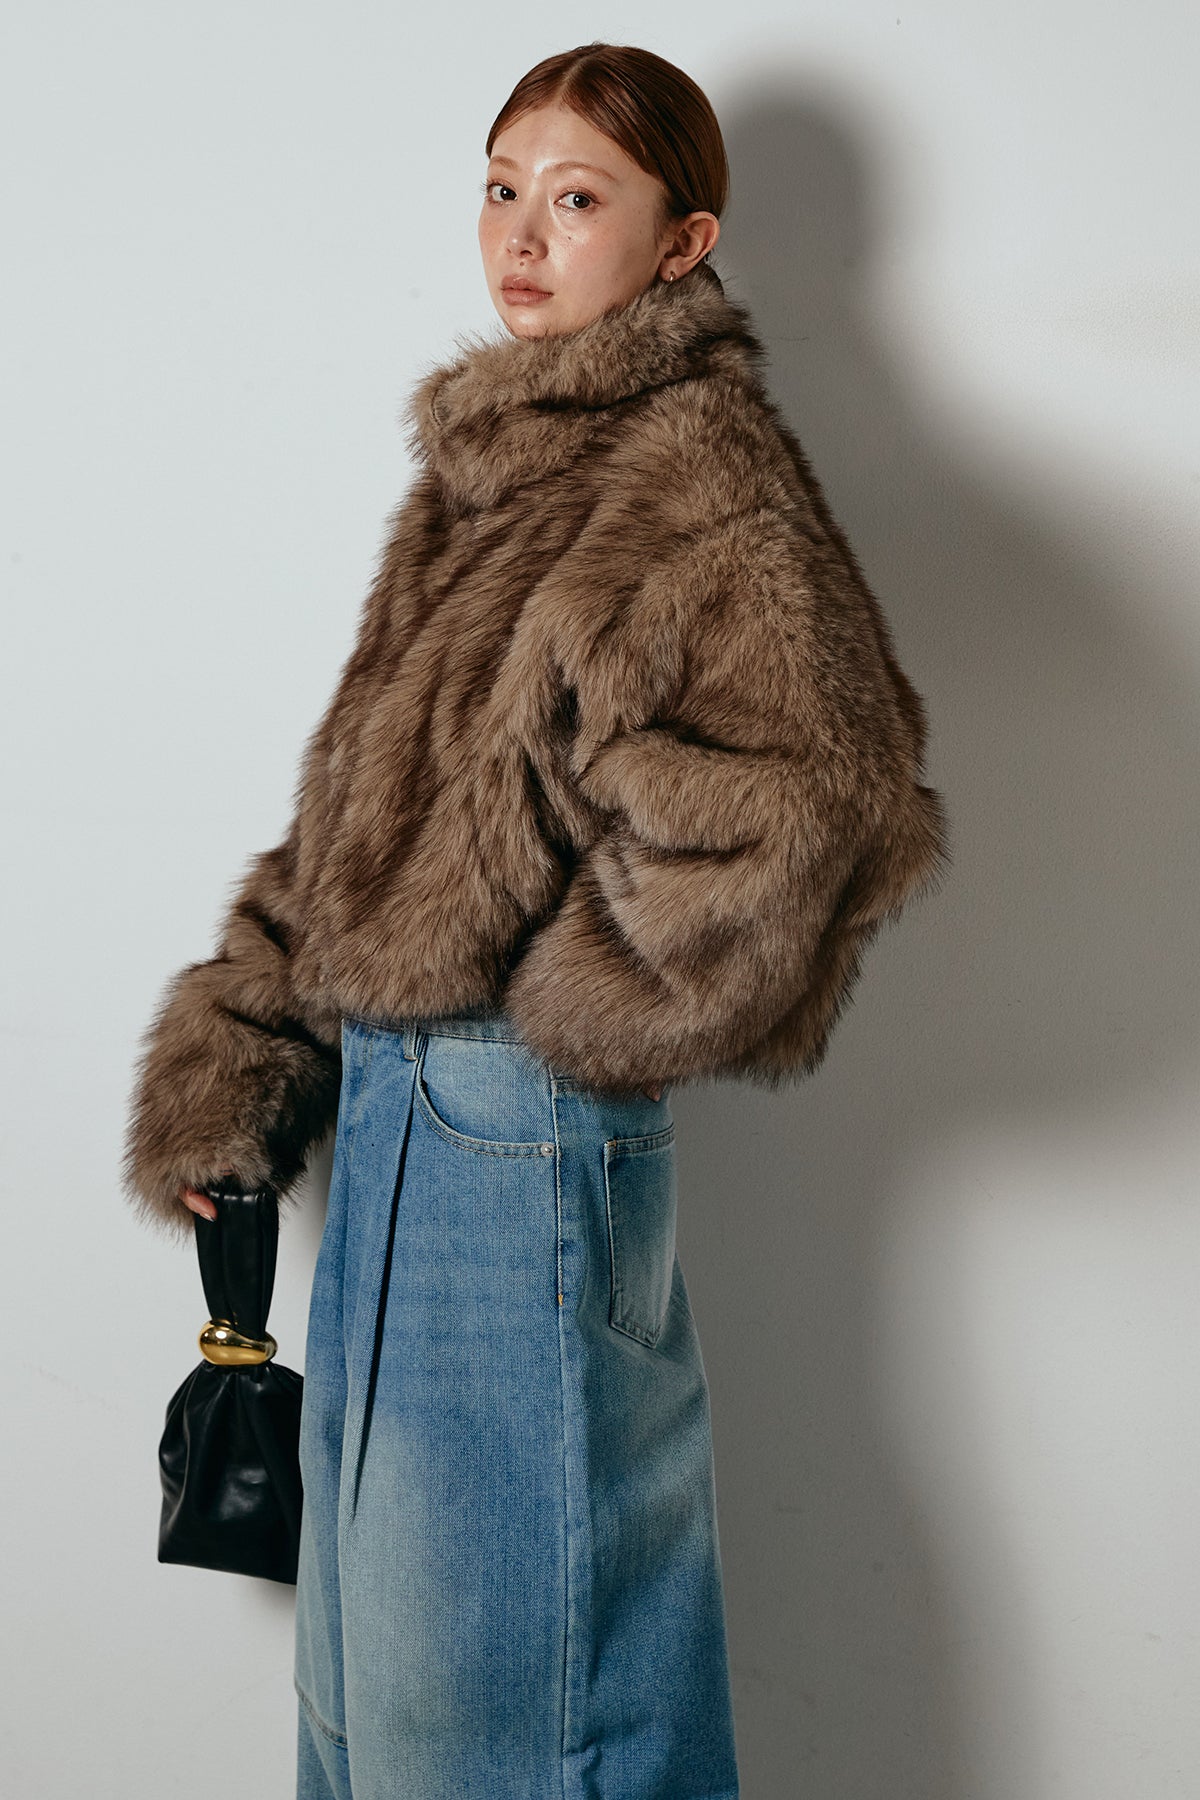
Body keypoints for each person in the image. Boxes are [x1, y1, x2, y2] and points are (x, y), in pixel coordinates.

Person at [122, 40, 951, 1800]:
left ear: (681, 241)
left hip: (511, 1140)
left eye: (578, 199)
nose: (520, 233)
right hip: (403, 1131)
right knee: (390, 1698)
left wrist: (559, 1025)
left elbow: (823, 797)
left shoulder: (694, 477)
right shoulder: (491, 473)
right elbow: (370, 830)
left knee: (512, 1702)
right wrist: (243, 1063)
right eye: (502, 189)